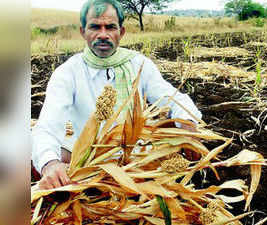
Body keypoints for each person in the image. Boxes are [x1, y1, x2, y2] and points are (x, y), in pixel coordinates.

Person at [32, 0, 202, 190]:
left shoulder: (139, 65)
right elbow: (48, 125)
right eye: (95, 27)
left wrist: (187, 125)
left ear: (121, 32)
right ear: (83, 32)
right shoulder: (68, 72)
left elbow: (173, 98)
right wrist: (50, 164)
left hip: (135, 159)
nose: (103, 34)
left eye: (110, 27)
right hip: (87, 161)